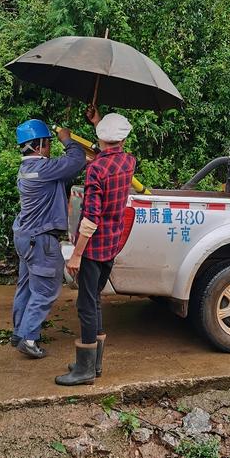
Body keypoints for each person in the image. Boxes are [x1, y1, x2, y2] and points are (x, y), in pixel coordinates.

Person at [55, 109, 136, 385]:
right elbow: (109, 150)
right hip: (112, 244)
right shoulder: (128, 162)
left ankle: (85, 369)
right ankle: (95, 363)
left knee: (86, 305)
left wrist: (76, 255)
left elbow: (90, 218)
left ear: (101, 139)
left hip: (92, 247)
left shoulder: (96, 170)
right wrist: (99, 123)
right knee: (95, 299)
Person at [11, 119, 85, 359]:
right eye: (48, 143)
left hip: (25, 237)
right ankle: (29, 338)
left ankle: (19, 332)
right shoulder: (43, 169)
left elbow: (65, 174)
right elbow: (75, 160)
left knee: (26, 287)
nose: (51, 147)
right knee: (45, 290)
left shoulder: (28, 170)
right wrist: (67, 138)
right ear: (38, 145)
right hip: (41, 240)